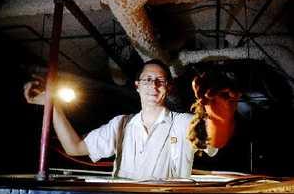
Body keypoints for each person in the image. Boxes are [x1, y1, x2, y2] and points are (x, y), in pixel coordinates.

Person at [24, 59, 239, 180]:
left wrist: (218, 110)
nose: (153, 85)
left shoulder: (182, 123)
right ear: (137, 86)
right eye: (147, 80)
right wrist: (53, 105)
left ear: (168, 87)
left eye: (160, 81)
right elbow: (74, 147)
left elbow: (214, 140)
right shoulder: (120, 124)